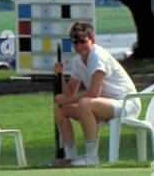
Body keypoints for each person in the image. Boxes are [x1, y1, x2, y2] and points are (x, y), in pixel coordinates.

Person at [53, 21, 139, 166]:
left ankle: (91, 157)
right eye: (75, 42)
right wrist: (60, 75)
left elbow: (93, 93)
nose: (79, 46)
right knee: (59, 108)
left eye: (82, 41)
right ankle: (71, 157)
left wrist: (67, 101)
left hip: (126, 104)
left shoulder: (98, 56)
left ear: (92, 41)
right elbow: (69, 94)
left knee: (85, 103)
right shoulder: (77, 61)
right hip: (102, 104)